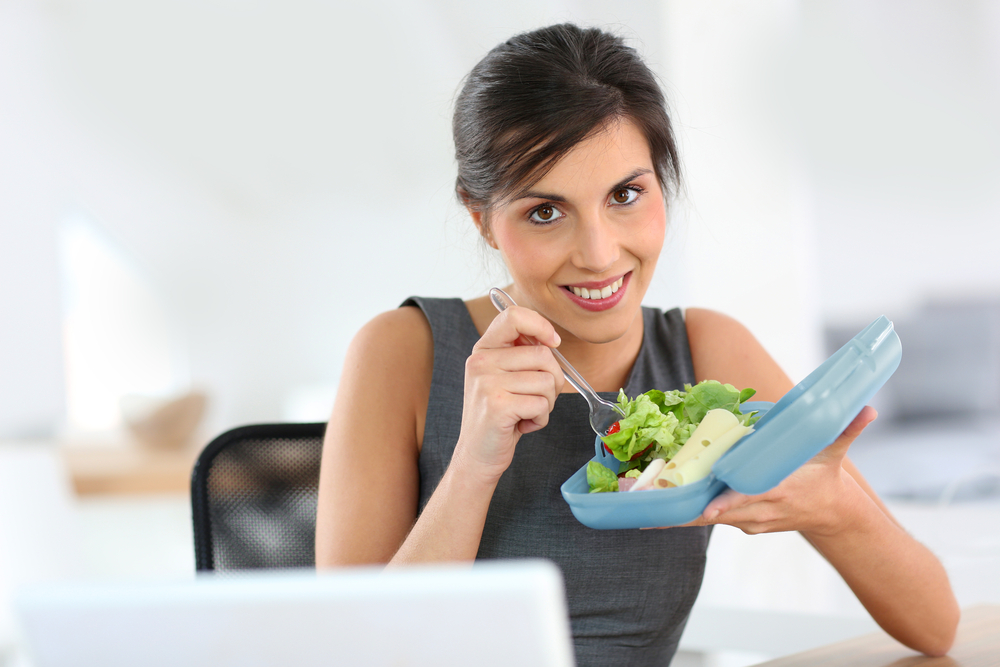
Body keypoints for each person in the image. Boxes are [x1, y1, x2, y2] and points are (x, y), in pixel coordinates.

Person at [315, 23, 958, 665]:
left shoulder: (705, 349)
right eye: (545, 211)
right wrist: (474, 467)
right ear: (482, 219)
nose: (599, 254)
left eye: (626, 195)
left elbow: (936, 625)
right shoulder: (405, 351)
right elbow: (347, 655)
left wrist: (837, 508)